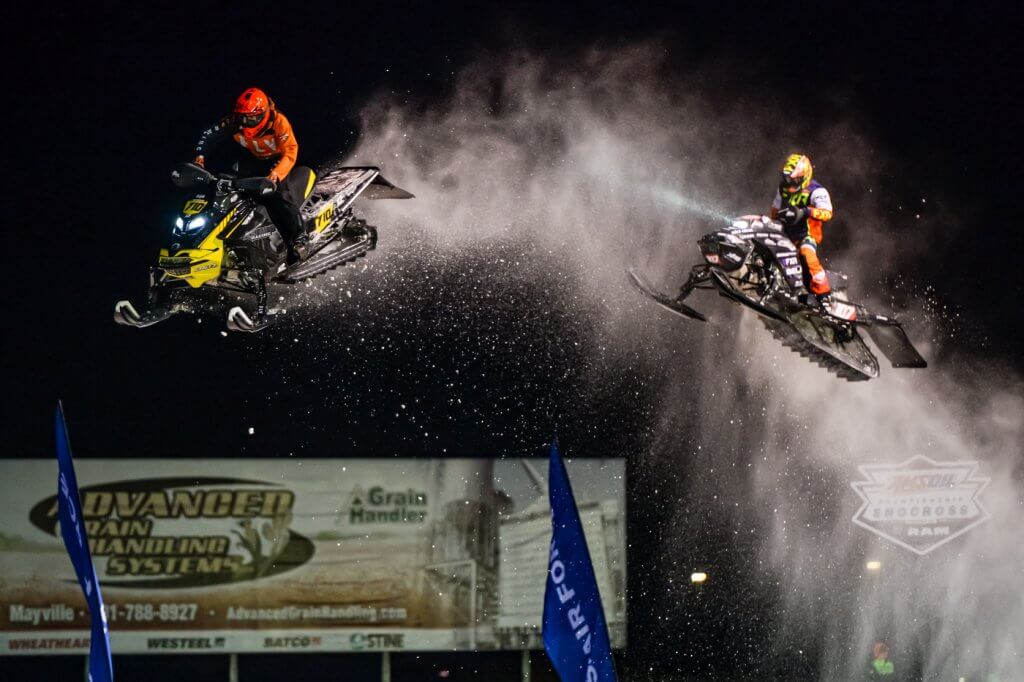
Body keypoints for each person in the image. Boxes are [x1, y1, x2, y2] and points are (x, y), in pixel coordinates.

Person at [192, 87, 312, 263]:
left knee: (276, 195)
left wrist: (275, 175)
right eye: (243, 117)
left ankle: (299, 240)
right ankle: (209, 236)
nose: (247, 122)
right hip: (254, 158)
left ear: (263, 114)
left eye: (253, 118)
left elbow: (290, 151)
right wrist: (199, 159)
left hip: (277, 160)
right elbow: (208, 136)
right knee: (223, 182)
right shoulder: (234, 121)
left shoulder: (279, 122)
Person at [770, 153, 834, 309]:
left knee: (806, 253)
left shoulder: (816, 191)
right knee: (769, 250)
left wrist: (805, 212)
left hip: (807, 235)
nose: (791, 183)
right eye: (788, 179)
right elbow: (774, 212)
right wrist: (777, 218)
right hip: (786, 235)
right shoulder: (783, 190)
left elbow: (827, 213)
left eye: (795, 179)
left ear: (804, 176)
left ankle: (824, 296)